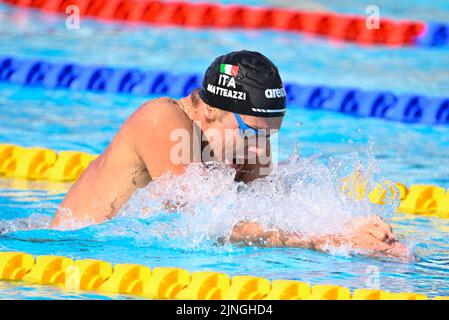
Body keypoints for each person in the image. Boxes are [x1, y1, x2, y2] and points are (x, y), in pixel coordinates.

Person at [51, 50, 408, 258]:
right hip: (70, 257)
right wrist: (323, 240)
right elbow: (204, 222)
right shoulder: (160, 121)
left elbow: (271, 211)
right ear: (209, 112)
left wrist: (359, 235)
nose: (261, 149)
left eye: (271, 136)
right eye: (253, 133)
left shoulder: (247, 145)